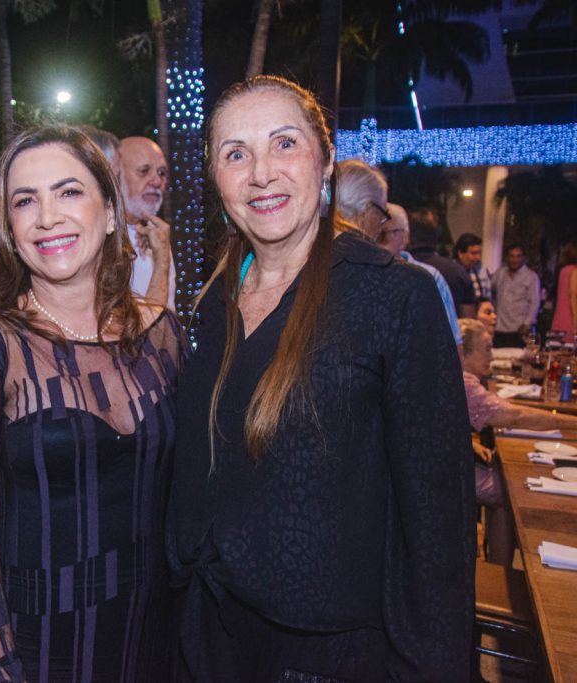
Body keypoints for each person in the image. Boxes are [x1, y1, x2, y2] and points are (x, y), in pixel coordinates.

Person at [167, 75, 474, 681]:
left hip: (328, 657)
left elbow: (439, 524)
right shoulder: (211, 303)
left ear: (326, 159)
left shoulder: (393, 296)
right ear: (216, 178)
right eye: (236, 154)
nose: (261, 173)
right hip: (207, 642)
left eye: (284, 144)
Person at [0, 126, 184, 681]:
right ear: (10, 228)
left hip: (156, 629)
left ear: (111, 211)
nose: (47, 216)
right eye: (25, 201)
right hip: (40, 643)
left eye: (68, 192)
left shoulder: (163, 332)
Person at [459, 318, 577, 563]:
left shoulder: (460, 377)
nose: (492, 356)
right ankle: (499, 570)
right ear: (463, 352)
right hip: (441, 473)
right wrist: (571, 422)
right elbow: (515, 417)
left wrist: (470, 443)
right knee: (511, 491)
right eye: (487, 349)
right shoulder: (464, 383)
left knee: (506, 477)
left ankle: (494, 559)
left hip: (443, 462)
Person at [378, 203, 462, 349]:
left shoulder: (429, 276)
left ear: (405, 236)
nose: (376, 242)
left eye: (384, 235)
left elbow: (453, 341)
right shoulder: (365, 275)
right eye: (374, 233)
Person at [118, 136, 176, 310]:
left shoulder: (158, 235)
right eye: (144, 171)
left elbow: (168, 317)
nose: (157, 181)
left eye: (162, 173)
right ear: (116, 176)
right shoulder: (98, 240)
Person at [408, 207, 476, 318]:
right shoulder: (458, 272)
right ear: (437, 235)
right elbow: (469, 323)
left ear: (409, 235)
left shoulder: (399, 269)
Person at [490, 245, 540, 348]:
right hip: (499, 328)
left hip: (519, 329)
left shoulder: (531, 276)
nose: (515, 260)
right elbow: (491, 292)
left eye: (518, 256)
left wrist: (527, 324)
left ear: (523, 258)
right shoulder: (500, 273)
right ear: (507, 257)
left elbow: (534, 302)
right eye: (512, 256)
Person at [334, 158, 389, 241]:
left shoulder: (311, 246)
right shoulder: (371, 253)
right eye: (381, 215)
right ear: (368, 209)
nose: (381, 229)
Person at [550, 243, 577, 341]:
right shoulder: (574, 271)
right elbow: (573, 296)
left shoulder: (563, 271)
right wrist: (575, 323)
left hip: (560, 318)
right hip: (570, 320)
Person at [455, 232, 491, 300]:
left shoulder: (481, 272)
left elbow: (488, 298)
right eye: (474, 253)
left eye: (479, 253)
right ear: (460, 253)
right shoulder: (451, 272)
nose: (478, 257)